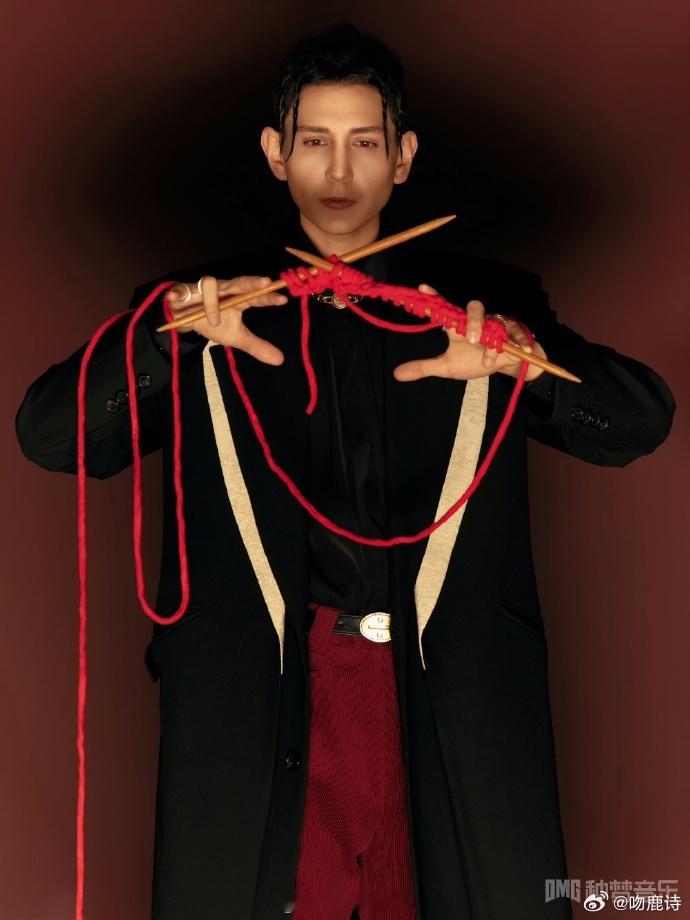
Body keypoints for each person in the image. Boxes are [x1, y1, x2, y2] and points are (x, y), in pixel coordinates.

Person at [15, 22, 675, 920]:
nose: (338, 171)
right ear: (275, 154)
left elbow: (640, 421)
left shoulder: (478, 310)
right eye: (314, 142)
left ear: (402, 158)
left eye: (364, 143)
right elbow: (48, 438)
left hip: (443, 698)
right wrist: (163, 340)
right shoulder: (206, 308)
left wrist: (520, 359)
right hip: (265, 704)